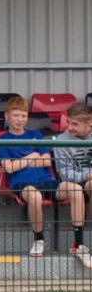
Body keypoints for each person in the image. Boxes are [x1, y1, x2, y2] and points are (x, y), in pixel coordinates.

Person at [0, 97, 61, 257]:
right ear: (7, 116)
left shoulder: (35, 135)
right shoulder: (2, 140)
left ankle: (79, 244)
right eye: (16, 115)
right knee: (34, 196)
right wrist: (32, 156)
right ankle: (39, 240)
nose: (20, 119)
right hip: (21, 183)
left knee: (76, 190)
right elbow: (9, 168)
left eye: (23, 116)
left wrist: (19, 162)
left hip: (46, 181)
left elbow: (46, 161)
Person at [52, 103, 92, 268]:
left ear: (89, 122)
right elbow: (65, 174)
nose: (69, 127)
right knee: (77, 189)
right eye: (68, 122)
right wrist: (87, 175)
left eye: (74, 124)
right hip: (69, 183)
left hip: (89, 183)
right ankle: (79, 245)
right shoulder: (61, 140)